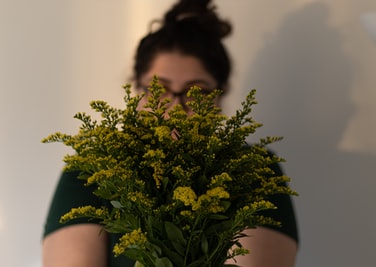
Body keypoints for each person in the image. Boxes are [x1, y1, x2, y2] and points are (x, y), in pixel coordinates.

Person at [42, 0, 299, 266]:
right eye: (159, 90)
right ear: (137, 90)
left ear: (220, 97)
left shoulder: (254, 170)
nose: (176, 106)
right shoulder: (94, 169)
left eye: (196, 91)